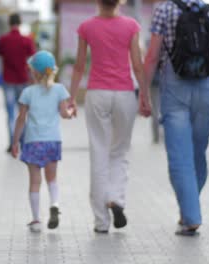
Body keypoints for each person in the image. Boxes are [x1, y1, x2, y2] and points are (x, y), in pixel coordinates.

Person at [144, 0, 209, 236]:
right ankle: (189, 208)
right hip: (207, 90)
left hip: (175, 88)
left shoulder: (164, 10)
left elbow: (152, 56)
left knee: (180, 157)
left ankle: (191, 216)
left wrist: (143, 93)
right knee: (197, 153)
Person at [69, 0, 150, 234]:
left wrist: (72, 98)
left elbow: (79, 66)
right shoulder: (131, 26)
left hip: (97, 94)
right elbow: (137, 64)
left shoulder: (87, 27)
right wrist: (144, 95)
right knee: (120, 151)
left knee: (99, 152)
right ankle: (115, 198)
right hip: (125, 93)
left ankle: (101, 222)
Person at [11, 51, 73, 233]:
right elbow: (64, 113)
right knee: (52, 178)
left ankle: (37, 220)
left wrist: (15, 141)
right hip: (53, 140)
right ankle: (54, 204)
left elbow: (21, 119)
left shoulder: (27, 92)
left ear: (33, 72)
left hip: (33, 142)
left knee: (35, 182)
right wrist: (70, 113)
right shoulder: (60, 90)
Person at [0, 13, 36, 152]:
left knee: (10, 113)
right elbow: (32, 60)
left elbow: (0, 54)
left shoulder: (3, 39)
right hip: (23, 80)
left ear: (9, 23)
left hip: (8, 80)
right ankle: (23, 140)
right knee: (23, 112)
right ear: (20, 23)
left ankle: (12, 143)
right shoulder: (27, 40)